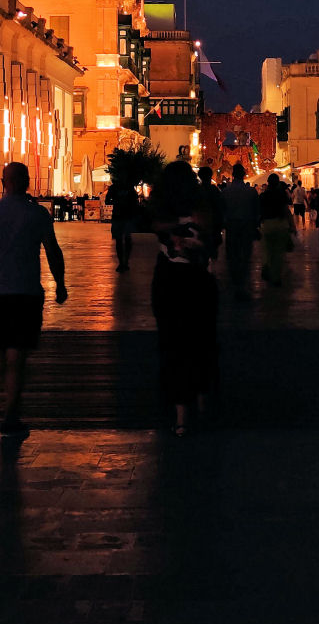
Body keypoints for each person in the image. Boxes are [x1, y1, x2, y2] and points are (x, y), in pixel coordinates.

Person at [0, 161, 68, 438]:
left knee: (6, 351)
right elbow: (52, 250)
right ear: (27, 183)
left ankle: (9, 403)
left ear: (4, 183)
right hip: (27, 292)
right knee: (17, 354)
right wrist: (60, 284)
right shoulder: (37, 214)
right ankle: (11, 413)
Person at [149, 160, 218, 434]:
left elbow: (154, 226)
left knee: (172, 342)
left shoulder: (160, 208)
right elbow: (211, 239)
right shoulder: (202, 206)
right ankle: (201, 401)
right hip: (198, 279)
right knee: (200, 339)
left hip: (168, 279)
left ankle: (180, 415)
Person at [218, 162, 261, 299]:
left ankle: (234, 281)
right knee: (245, 255)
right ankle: (242, 283)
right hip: (247, 226)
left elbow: (221, 211)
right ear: (244, 174)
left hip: (231, 226)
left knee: (233, 255)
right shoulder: (251, 191)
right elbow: (256, 211)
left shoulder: (226, 192)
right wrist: (256, 226)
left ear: (233, 174)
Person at [257, 172, 294, 287]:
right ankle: (276, 277)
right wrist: (291, 226)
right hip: (280, 224)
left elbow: (259, 211)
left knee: (267, 249)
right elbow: (286, 210)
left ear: (268, 183)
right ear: (278, 183)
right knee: (278, 252)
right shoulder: (282, 195)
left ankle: (266, 265)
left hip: (267, 224)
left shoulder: (263, 196)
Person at [107, 175, 140, 272]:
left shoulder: (114, 187)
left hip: (118, 216)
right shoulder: (129, 187)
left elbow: (107, 201)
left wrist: (116, 201)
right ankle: (125, 262)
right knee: (127, 239)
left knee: (119, 240)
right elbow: (135, 201)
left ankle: (122, 263)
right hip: (127, 216)